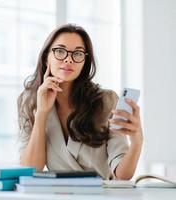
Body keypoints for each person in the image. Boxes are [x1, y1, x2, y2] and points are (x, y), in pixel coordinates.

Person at [17, 24, 143, 180]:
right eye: (60, 51)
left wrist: (137, 141)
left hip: (100, 196)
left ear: (85, 61)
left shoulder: (106, 101)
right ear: (45, 57)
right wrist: (42, 112)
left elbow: (123, 175)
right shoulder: (29, 101)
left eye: (77, 53)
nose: (69, 59)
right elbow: (31, 169)